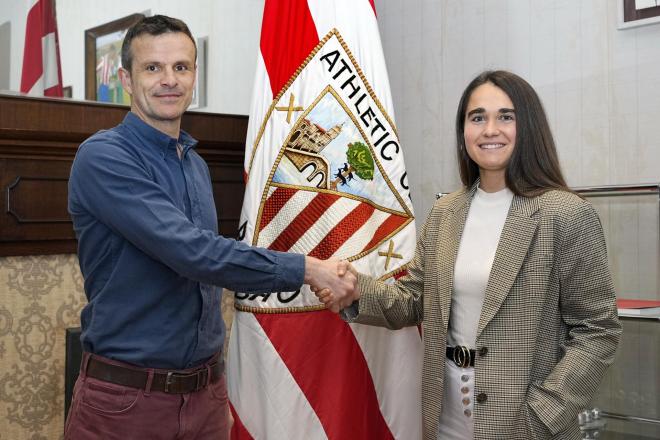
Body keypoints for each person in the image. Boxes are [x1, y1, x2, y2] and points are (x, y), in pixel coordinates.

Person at [65, 15, 354, 440]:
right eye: (153, 68)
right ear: (126, 78)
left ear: (195, 75)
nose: (169, 80)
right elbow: (193, 253)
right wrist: (308, 269)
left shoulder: (195, 164)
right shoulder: (104, 157)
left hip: (206, 399)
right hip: (127, 404)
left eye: (181, 67)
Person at [316, 70, 621, 440]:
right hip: (445, 421)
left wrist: (542, 416)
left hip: (525, 426)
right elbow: (415, 300)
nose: (490, 129)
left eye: (505, 117)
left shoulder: (567, 214)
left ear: (529, 127)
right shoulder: (446, 212)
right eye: (477, 117)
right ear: (464, 132)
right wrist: (354, 289)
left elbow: (597, 331)